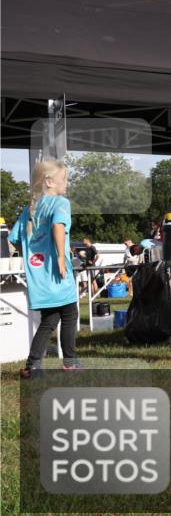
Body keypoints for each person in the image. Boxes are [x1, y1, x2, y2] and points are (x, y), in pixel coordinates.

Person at [9, 159, 81, 378]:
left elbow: (14, 239)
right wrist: (60, 256)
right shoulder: (61, 203)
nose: (66, 183)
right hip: (57, 272)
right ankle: (70, 363)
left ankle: (33, 366)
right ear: (49, 182)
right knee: (70, 315)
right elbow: (58, 226)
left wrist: (37, 253)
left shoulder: (28, 210)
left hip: (39, 276)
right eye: (64, 179)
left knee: (49, 321)